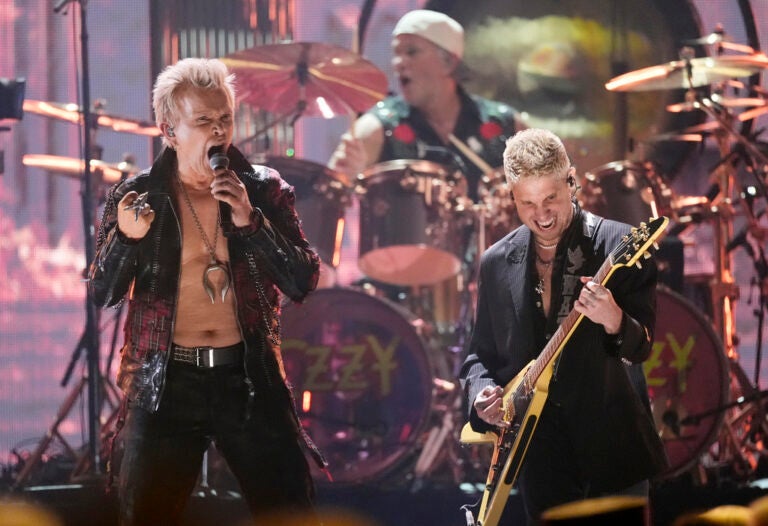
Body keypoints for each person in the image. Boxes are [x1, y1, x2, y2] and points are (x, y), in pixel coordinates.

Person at [88, 57, 324, 526]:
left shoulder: (263, 189)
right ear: (169, 131)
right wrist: (127, 238)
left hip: (248, 377)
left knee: (290, 512)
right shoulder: (138, 196)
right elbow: (102, 292)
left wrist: (252, 223)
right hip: (165, 383)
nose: (218, 131)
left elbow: (303, 281)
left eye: (225, 118)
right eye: (202, 121)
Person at [459, 128, 668, 524]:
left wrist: (613, 318)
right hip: (540, 457)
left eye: (551, 198)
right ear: (512, 197)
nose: (542, 215)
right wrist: (480, 395)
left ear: (571, 181)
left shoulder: (619, 243)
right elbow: (478, 357)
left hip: (613, 451)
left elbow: (641, 346)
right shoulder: (496, 262)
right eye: (528, 203)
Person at [328, 9, 523, 201]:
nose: (398, 63)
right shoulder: (376, 128)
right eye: (396, 53)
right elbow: (328, 197)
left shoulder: (507, 125)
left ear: (448, 62)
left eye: (411, 52)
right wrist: (345, 180)